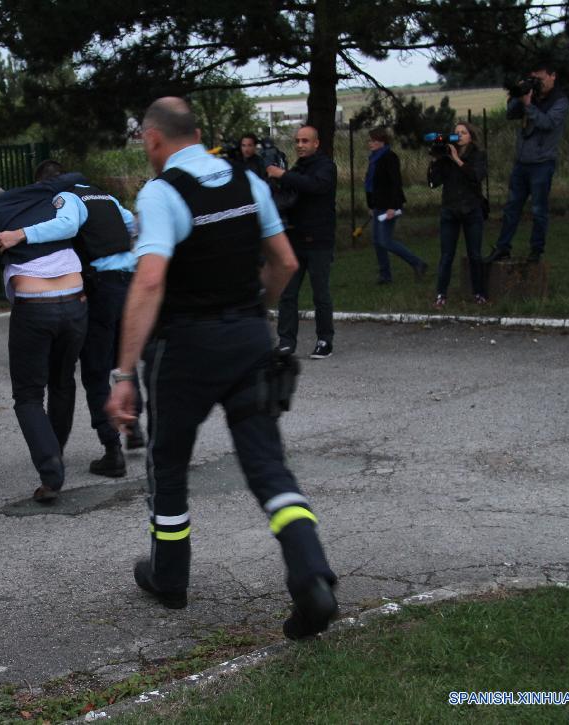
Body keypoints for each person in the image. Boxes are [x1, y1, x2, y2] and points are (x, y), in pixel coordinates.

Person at [106, 97, 338, 640]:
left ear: (154, 139)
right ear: (197, 133)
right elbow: (285, 261)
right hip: (248, 340)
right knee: (268, 465)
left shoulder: (161, 193)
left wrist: (123, 374)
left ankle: (170, 576)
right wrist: (254, 310)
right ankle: (311, 575)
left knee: (168, 463)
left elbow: (149, 281)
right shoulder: (248, 180)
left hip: (185, 349)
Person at [0, 168, 142, 480]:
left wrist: (21, 234)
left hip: (100, 287)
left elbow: (67, 225)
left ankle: (112, 450)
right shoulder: (106, 196)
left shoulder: (67, 197)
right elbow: (132, 224)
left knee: (95, 372)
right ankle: (134, 424)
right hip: (127, 282)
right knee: (122, 358)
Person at [0, 168, 89, 504]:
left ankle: (51, 470)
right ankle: (56, 450)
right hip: (76, 299)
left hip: (35, 306)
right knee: (63, 381)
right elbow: (73, 176)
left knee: (28, 395)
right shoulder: (40, 194)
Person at [485, 61, 569, 263]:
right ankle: (503, 247)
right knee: (511, 208)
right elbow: (510, 114)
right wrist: (519, 95)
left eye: (540, 79)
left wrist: (529, 105)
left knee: (538, 210)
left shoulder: (560, 101)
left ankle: (536, 251)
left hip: (542, 163)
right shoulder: (530, 96)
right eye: (533, 79)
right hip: (522, 162)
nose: (537, 83)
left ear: (553, 76)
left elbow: (547, 123)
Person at [267, 125, 338, 359]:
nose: (300, 145)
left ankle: (324, 340)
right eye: (297, 141)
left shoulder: (326, 167)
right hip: (295, 239)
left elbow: (315, 185)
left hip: (319, 240)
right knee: (287, 294)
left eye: (305, 141)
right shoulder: (297, 168)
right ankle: (286, 342)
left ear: (316, 143)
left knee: (320, 294)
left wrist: (283, 175)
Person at [427, 122, 489, 307]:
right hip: (450, 210)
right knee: (447, 255)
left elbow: (476, 176)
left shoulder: (478, 155)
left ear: (471, 136)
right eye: (456, 133)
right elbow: (433, 183)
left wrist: (457, 159)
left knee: (474, 254)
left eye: (463, 132)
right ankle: (441, 294)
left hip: (472, 209)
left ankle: (479, 293)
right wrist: (436, 160)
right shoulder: (446, 155)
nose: (460, 135)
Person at [365, 127, 428, 287]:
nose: (370, 143)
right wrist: (371, 205)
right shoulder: (373, 159)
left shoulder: (389, 157)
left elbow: (395, 183)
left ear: (382, 141)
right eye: (369, 140)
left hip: (389, 206)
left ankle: (418, 263)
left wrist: (392, 207)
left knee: (385, 241)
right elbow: (371, 185)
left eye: (373, 140)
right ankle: (385, 275)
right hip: (377, 205)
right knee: (377, 241)